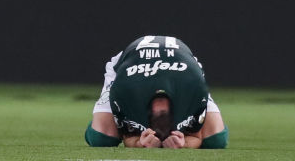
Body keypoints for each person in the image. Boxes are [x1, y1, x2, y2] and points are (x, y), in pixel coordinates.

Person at [85, 35, 228, 149]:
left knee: (216, 139)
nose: (160, 104)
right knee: (102, 137)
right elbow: (127, 136)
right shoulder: (125, 90)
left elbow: (197, 136)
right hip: (128, 64)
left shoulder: (193, 89)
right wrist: (138, 143)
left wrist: (184, 144)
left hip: (186, 68)